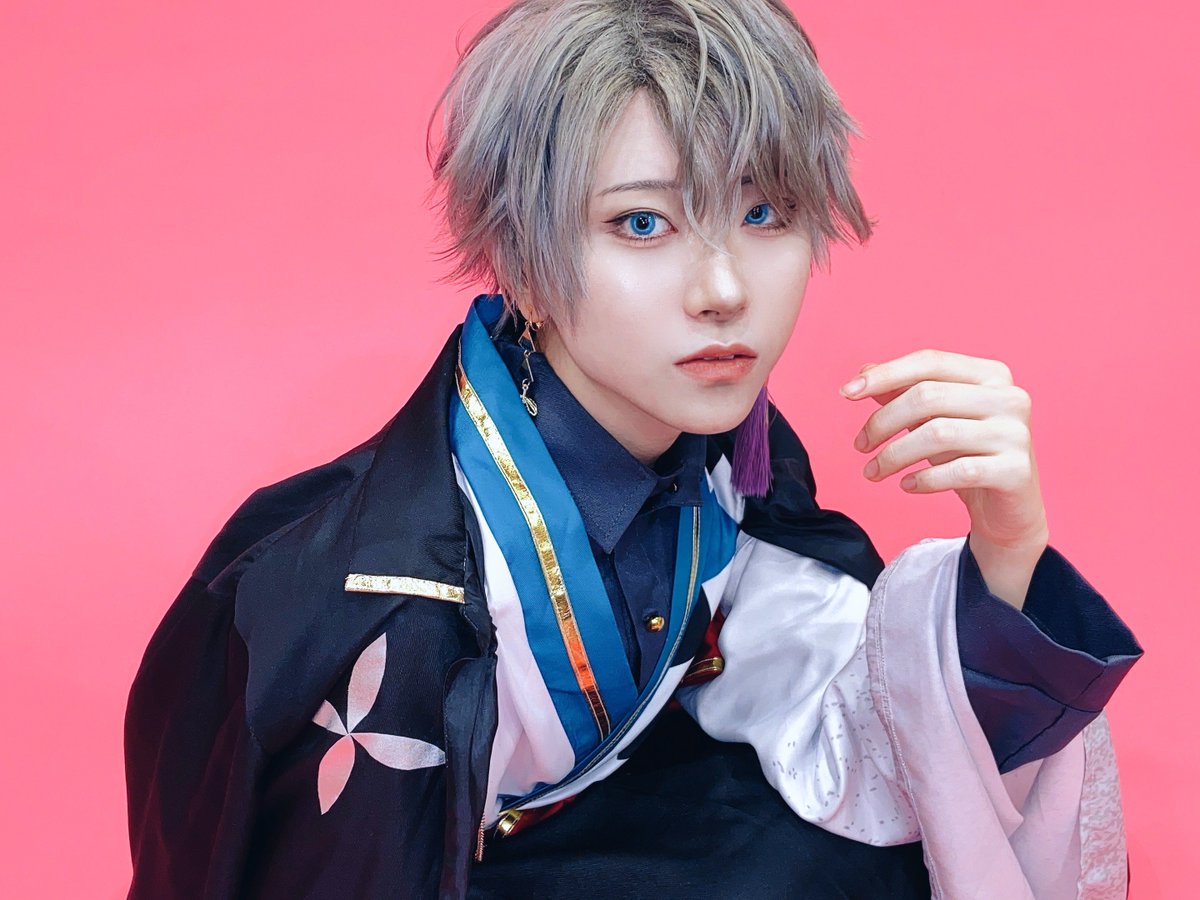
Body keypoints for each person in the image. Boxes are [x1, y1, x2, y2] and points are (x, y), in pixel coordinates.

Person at [123, 1, 1144, 897]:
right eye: (643, 223)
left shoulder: (730, 457)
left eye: (764, 212)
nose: (724, 290)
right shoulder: (352, 607)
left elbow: (866, 744)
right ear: (519, 257)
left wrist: (1008, 551)